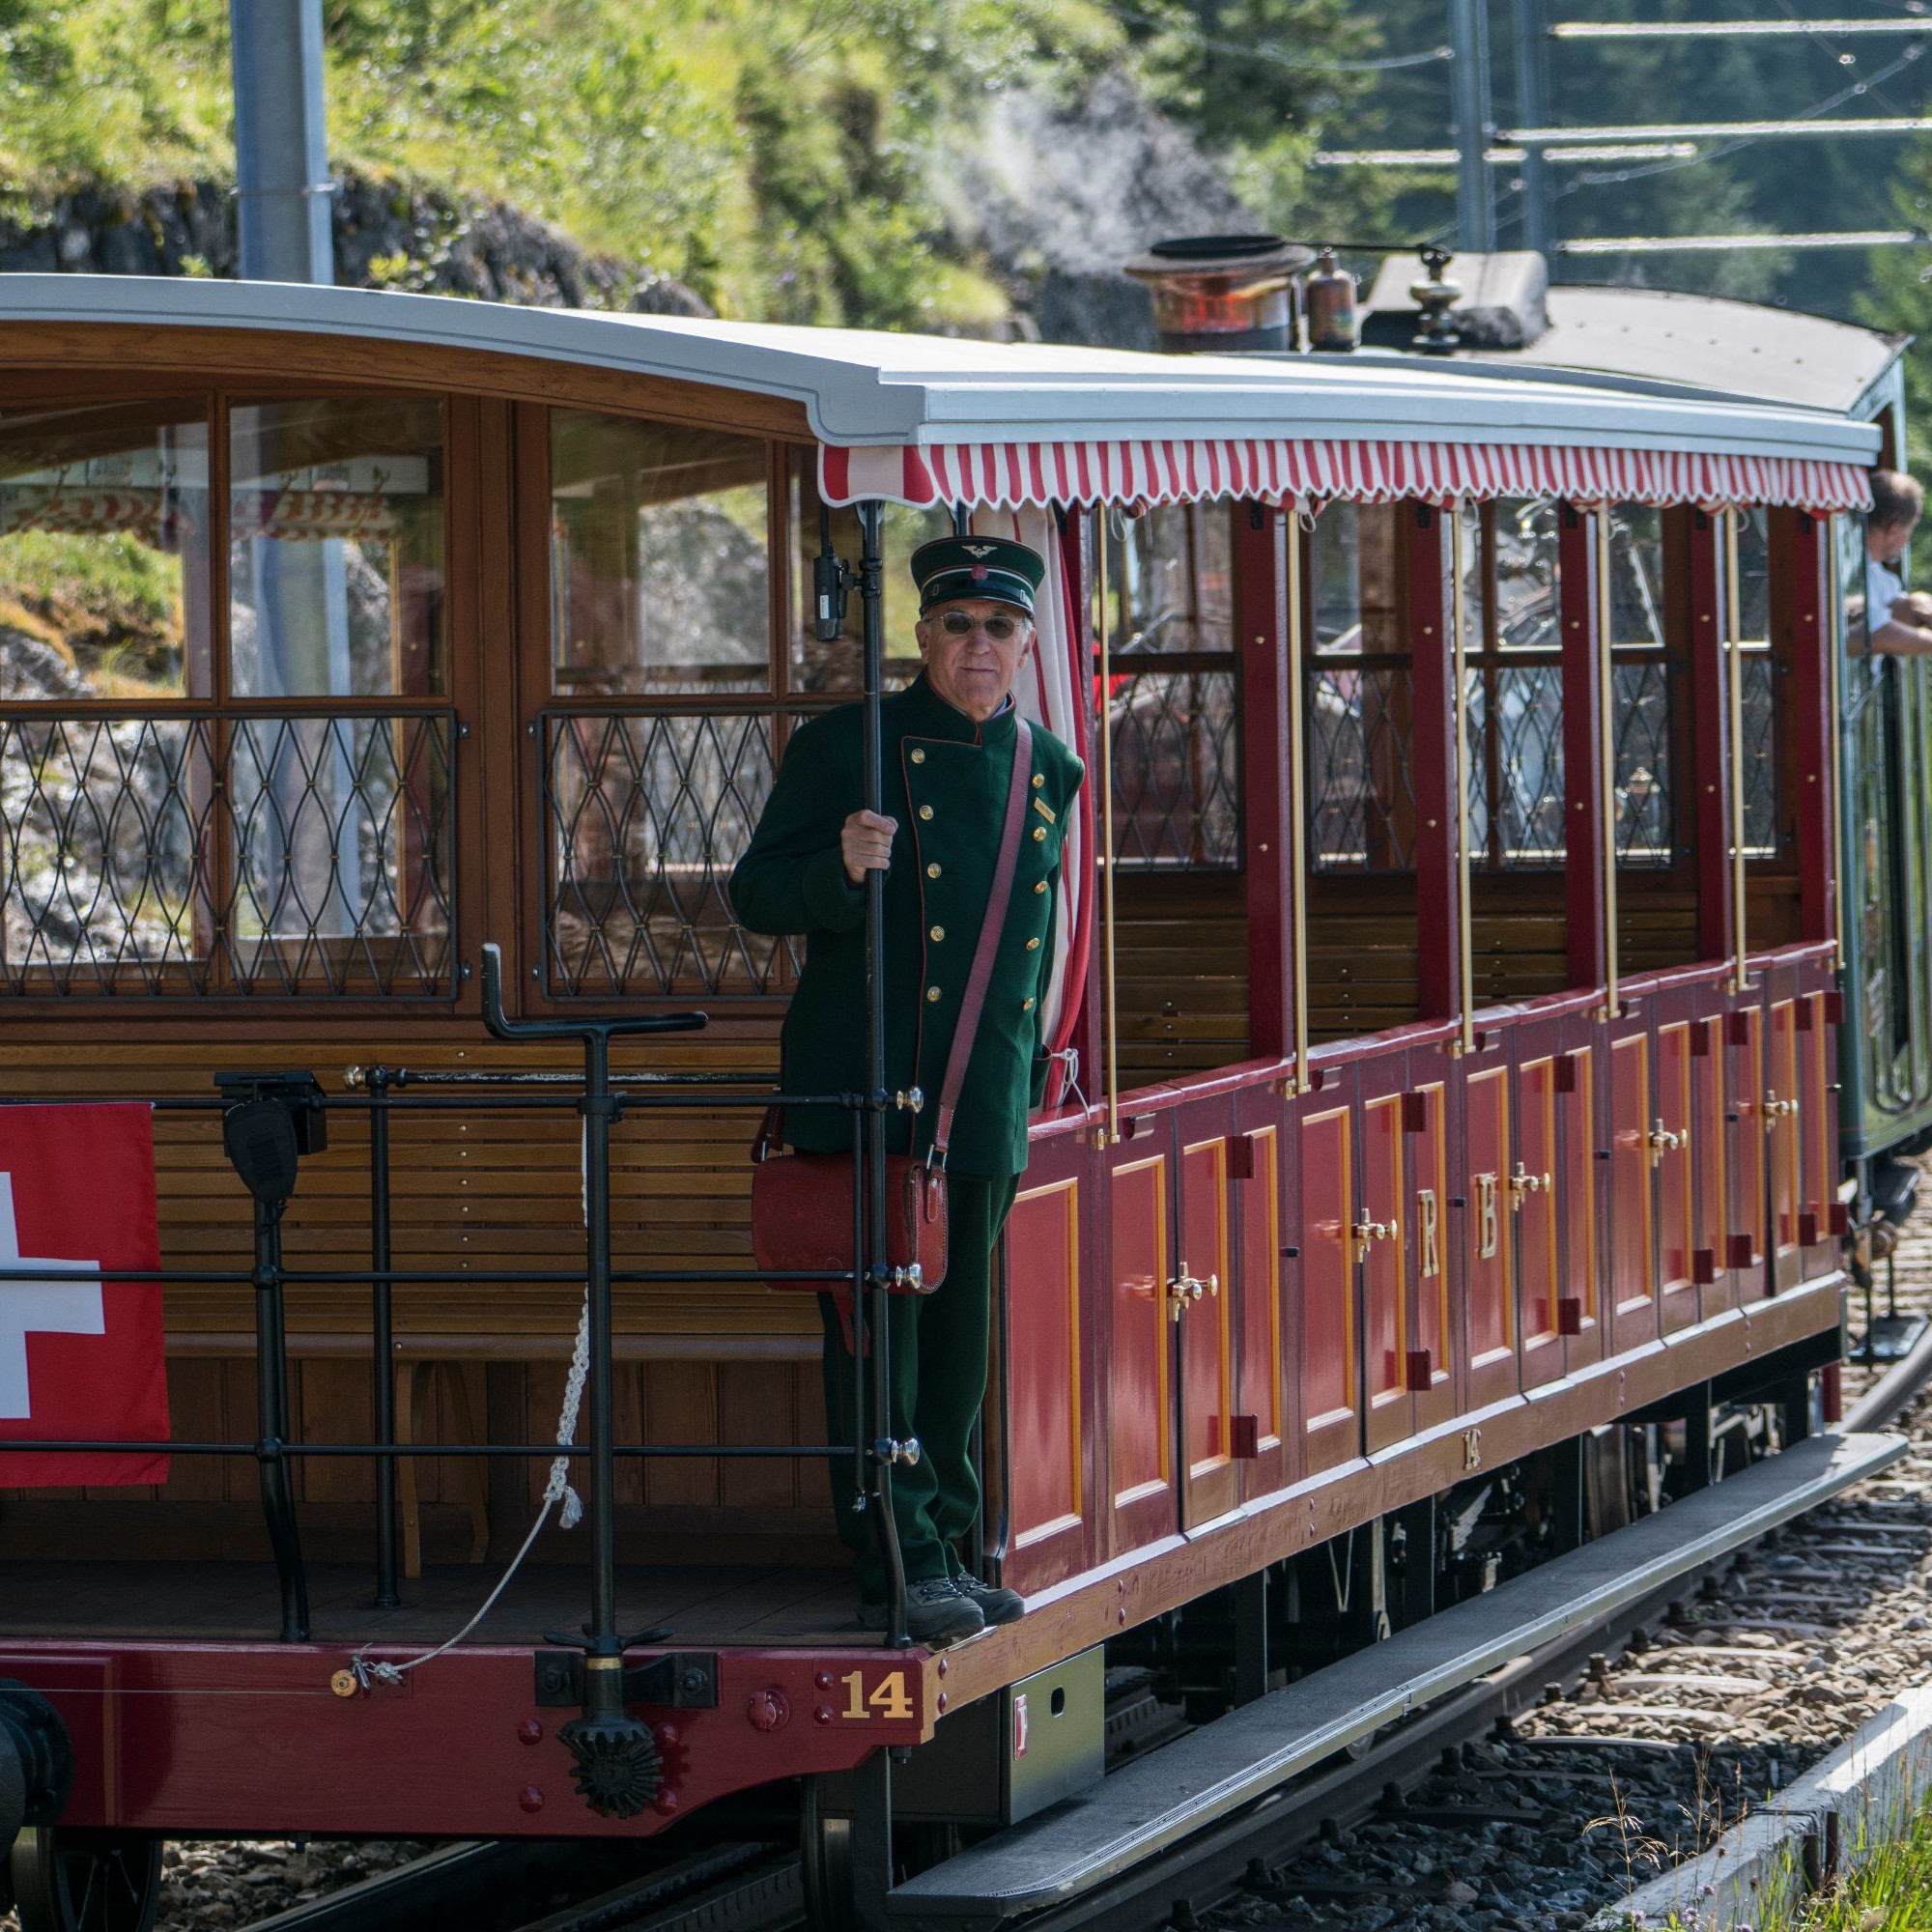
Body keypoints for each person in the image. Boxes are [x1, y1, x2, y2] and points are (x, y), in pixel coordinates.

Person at [729, 534, 1085, 1642]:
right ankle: (898, 1557)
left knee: (958, 1343)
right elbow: (754, 894)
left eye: (999, 627)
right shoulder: (851, 746)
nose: (978, 644)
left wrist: (1021, 1083)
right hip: (868, 1082)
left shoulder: (1048, 769)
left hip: (977, 1095)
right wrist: (836, 868)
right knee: (879, 1335)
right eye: (956, 625)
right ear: (923, 636)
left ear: (1026, 643)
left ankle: (957, 1544)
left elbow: (1026, 954)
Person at [1863, 469, 1932, 656]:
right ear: (1894, 528)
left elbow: (1893, 609)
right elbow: (1877, 633)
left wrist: (1917, 601)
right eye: (1908, 531)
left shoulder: (1878, 575)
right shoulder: (1857, 577)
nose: (1906, 541)